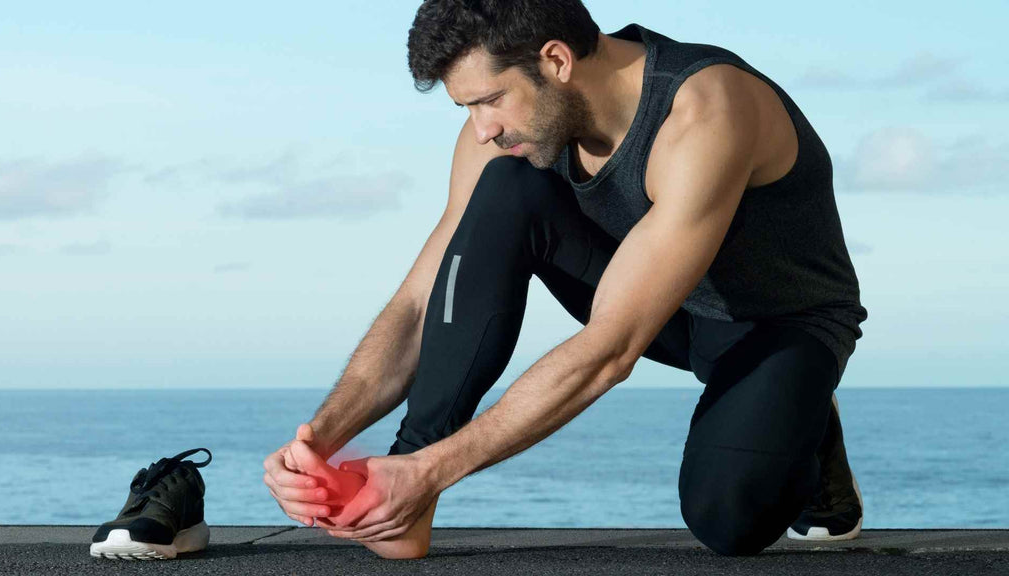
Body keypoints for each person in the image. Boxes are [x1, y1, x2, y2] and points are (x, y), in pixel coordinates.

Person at [263, 0, 868, 559]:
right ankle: (405, 494)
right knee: (505, 184)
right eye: (467, 107)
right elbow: (425, 300)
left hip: (777, 326)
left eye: (489, 99)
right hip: (665, 308)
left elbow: (611, 348)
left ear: (556, 59)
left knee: (727, 520)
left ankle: (809, 417)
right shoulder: (509, 134)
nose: (481, 128)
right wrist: (320, 440)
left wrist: (436, 469)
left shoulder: (705, 109)